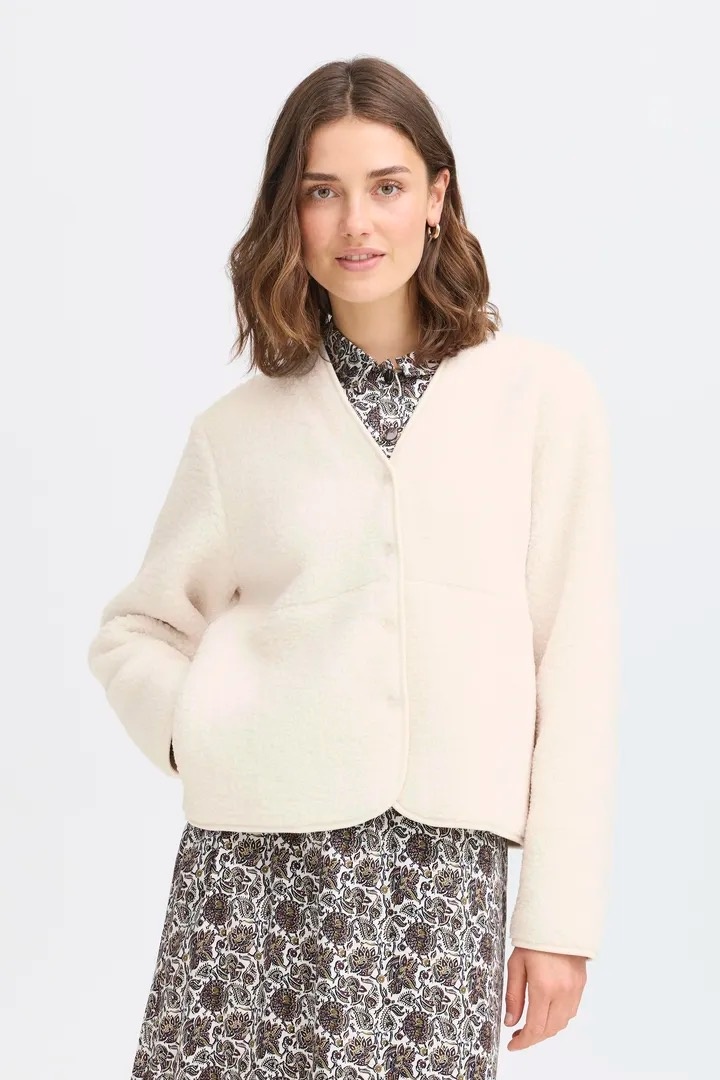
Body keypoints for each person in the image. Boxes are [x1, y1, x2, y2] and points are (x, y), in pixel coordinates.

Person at [87, 55, 620, 1080]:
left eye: (386, 186)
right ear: (289, 214)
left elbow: (577, 665)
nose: (356, 224)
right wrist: (201, 731)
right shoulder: (236, 432)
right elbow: (135, 631)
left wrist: (559, 919)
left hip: (440, 882)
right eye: (322, 192)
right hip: (255, 877)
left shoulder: (540, 400)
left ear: (437, 197)